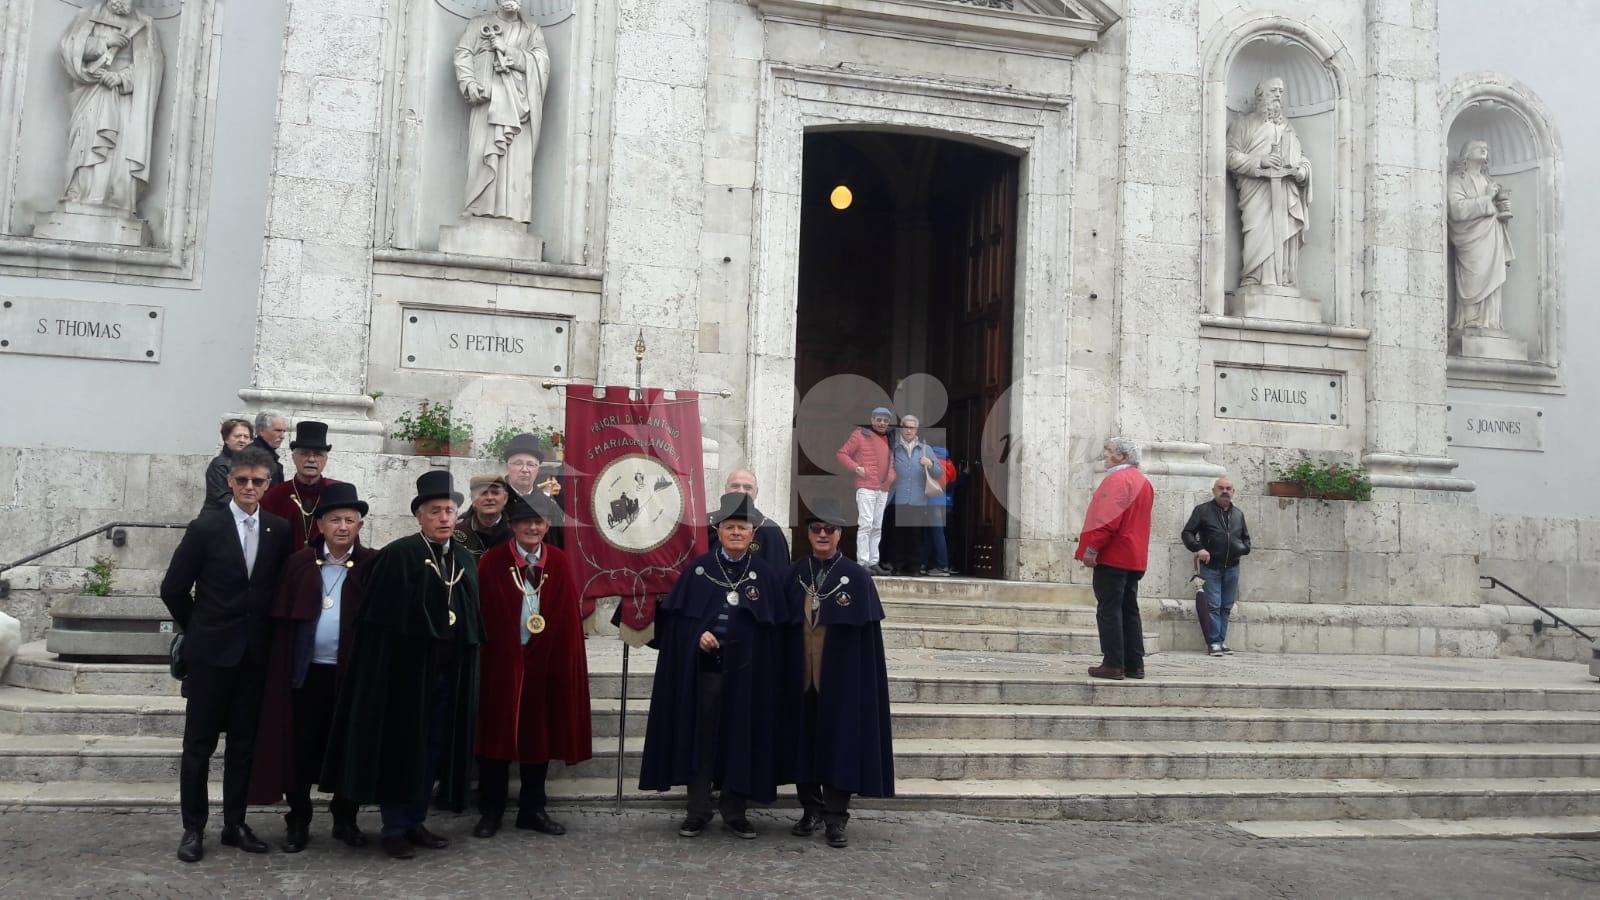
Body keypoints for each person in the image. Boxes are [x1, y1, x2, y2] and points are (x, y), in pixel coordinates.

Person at [321, 471, 484, 860]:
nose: (444, 518)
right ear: (419, 516)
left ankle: (415, 821)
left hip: (448, 673)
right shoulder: (399, 555)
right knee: (403, 749)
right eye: (435, 511)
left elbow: (471, 617)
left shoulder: (464, 559)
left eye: (449, 511)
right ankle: (394, 827)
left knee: (433, 748)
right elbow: (379, 624)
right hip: (405, 676)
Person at [639, 492, 800, 840]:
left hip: (749, 677)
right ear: (718, 530)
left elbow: (776, 631)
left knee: (740, 740)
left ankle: (735, 812)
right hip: (706, 674)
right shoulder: (698, 571)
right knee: (702, 740)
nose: (736, 532)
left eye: (743, 527)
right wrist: (697, 635)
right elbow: (677, 625)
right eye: (730, 527)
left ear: (753, 533)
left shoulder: (765, 576)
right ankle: (697, 810)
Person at [159, 446, 292, 863]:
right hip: (210, 655)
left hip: (255, 656)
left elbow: (279, 587)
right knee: (198, 746)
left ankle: (235, 822)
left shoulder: (278, 529)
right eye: (242, 480)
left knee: (243, 745)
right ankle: (193, 827)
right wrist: (198, 628)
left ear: (268, 484)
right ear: (230, 481)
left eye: (258, 481)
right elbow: (173, 588)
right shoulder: (206, 528)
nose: (249, 487)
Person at [247, 482, 375, 853]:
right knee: (300, 750)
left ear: (360, 525)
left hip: (350, 677)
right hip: (306, 675)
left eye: (350, 520)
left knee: (348, 748)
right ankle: (299, 819)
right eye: (334, 519)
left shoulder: (372, 565)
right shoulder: (299, 563)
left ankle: (345, 818)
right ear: (320, 525)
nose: (342, 527)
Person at [473, 490, 591, 839]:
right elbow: (485, 613)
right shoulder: (492, 562)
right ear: (512, 525)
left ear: (546, 526)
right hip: (501, 662)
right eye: (525, 522)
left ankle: (532, 809)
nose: (532, 528)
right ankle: (491, 810)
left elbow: (566, 617)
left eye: (538, 522)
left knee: (538, 736)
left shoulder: (558, 562)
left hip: (544, 661)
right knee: (496, 736)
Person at [785, 498, 895, 850]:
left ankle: (835, 818)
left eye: (829, 530)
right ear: (808, 533)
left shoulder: (858, 579)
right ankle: (810, 809)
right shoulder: (794, 574)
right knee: (802, 745)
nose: (822, 535)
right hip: (800, 679)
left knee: (838, 748)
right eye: (816, 529)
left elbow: (867, 644)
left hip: (840, 682)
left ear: (839, 534)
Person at [54, 0, 163, 216]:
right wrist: (103, 42)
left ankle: (112, 198)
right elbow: (69, 47)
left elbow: (151, 65)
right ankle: (80, 194)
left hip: (123, 99)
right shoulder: (88, 15)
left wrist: (122, 77)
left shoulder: (144, 23)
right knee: (87, 141)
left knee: (118, 150)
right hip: (92, 91)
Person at [453, 0, 550, 223]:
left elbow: (541, 64)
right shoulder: (479, 24)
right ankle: (478, 206)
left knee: (515, 162)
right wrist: (469, 82)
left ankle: (513, 213)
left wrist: (509, 52)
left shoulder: (531, 30)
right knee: (481, 153)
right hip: (487, 102)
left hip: (518, 106)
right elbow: (463, 53)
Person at [1075, 437, 1155, 681]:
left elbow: (1108, 519)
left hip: (1114, 554)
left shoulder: (1117, 480)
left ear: (1123, 456)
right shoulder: (1143, 481)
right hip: (1133, 555)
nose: (1105, 455)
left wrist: (1092, 548)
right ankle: (1134, 664)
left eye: (1109, 451)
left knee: (1109, 610)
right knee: (1129, 609)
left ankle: (1113, 663)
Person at [1226, 77, 1312, 288]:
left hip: (1284, 192)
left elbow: (1301, 157)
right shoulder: (1244, 124)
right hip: (1256, 191)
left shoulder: (1287, 128)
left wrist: (1302, 171)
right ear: (1260, 95)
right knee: (1257, 231)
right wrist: (1260, 161)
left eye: (1281, 91)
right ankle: (1253, 276)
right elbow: (1229, 155)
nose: (1278, 95)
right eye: (1274, 90)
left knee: (1283, 231)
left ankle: (1283, 277)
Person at [1448, 139, 1515, 332]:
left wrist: (1503, 208)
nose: (1485, 149)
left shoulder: (1489, 182)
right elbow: (1456, 209)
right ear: (1467, 154)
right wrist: (1486, 198)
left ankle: (1490, 322)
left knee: (1493, 278)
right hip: (1470, 240)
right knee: (1474, 277)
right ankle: (1471, 321)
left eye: (1486, 147)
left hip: (1492, 236)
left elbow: (1495, 211)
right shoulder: (1456, 180)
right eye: (1479, 147)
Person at [1181, 477, 1251, 657]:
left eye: (1228, 488)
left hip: (1232, 566)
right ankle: (1213, 642)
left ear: (1233, 492)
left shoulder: (1238, 514)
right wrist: (1199, 548)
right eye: (1221, 488)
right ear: (1214, 491)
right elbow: (1187, 533)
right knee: (1213, 605)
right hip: (1210, 567)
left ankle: (1220, 640)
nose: (1225, 491)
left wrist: (1242, 549)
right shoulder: (1203, 510)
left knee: (1226, 606)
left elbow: (1245, 538)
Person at [260, 422, 341, 551]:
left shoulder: (337, 494)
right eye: (304, 453)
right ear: (293, 458)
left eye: (318, 454)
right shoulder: (274, 496)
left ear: (325, 460)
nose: (311, 459)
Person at [835, 406, 895, 575]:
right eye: (879, 420)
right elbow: (842, 454)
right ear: (872, 420)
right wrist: (856, 468)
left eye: (885, 420)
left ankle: (873, 562)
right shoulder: (859, 434)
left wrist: (891, 476)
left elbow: (891, 460)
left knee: (877, 526)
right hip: (866, 486)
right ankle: (863, 562)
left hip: (883, 488)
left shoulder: (889, 438)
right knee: (866, 524)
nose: (882, 423)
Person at [884, 415, 937, 576]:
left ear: (916, 429)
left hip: (917, 498)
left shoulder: (925, 449)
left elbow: (939, 472)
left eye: (911, 427)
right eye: (905, 427)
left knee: (916, 535)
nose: (908, 430)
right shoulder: (894, 448)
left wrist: (930, 464)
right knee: (897, 535)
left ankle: (914, 568)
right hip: (897, 498)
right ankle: (897, 566)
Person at [709, 468, 790, 568]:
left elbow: (780, 573)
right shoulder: (707, 525)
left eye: (748, 487)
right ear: (726, 489)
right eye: (735, 486)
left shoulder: (771, 531)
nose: (741, 491)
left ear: (756, 492)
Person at [201, 418, 254, 515]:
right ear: (226, 439)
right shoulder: (219, 465)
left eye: (246, 437)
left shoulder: (252, 463)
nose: (242, 440)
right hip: (217, 518)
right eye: (237, 436)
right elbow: (222, 497)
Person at [455, 474, 513, 558]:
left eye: (495, 493)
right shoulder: (458, 529)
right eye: (483, 493)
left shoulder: (516, 531)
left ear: (505, 499)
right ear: (473, 499)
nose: (489, 498)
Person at [920, 446, 955, 577]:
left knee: (936, 533)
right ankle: (924, 563)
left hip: (932, 500)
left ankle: (942, 565)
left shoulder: (932, 462)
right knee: (932, 533)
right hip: (946, 502)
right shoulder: (949, 464)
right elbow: (953, 482)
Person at [248, 412, 288, 488]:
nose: (282, 436)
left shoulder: (268, 453)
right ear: (261, 431)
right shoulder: (252, 456)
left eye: (284, 431)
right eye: (278, 430)